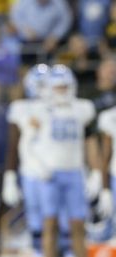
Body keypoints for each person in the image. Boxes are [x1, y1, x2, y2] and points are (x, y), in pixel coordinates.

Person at [32, 65, 108, 257]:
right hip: (50, 174)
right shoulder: (40, 110)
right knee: (49, 224)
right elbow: (31, 143)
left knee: (78, 225)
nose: (62, 91)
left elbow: (90, 143)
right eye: (58, 87)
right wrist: (39, 165)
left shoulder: (82, 109)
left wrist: (97, 172)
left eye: (65, 86)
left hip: (75, 172)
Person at [2, 63, 51, 256]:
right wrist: (10, 177)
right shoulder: (20, 108)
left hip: (56, 170)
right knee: (34, 220)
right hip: (30, 171)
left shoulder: (62, 108)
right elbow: (14, 145)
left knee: (57, 220)